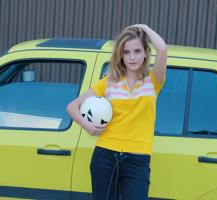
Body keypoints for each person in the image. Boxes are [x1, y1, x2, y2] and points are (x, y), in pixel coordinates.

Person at [67, 24, 167, 200]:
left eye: (137, 51)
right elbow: (72, 107)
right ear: (120, 55)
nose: (132, 57)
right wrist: (88, 127)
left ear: (145, 52)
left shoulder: (154, 80)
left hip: (138, 159)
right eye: (126, 52)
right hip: (105, 155)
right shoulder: (109, 82)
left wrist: (144, 28)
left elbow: (162, 48)